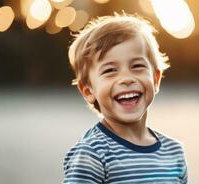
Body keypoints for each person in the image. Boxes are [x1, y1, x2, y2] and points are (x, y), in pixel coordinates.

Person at [63, 13, 188, 184]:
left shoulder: (174, 152)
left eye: (137, 66)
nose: (126, 78)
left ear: (156, 79)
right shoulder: (92, 154)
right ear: (88, 91)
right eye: (110, 70)